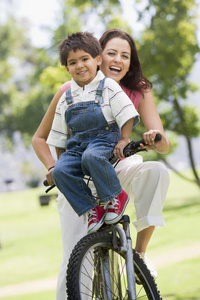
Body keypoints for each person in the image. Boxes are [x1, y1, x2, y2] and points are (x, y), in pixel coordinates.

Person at [32, 29, 171, 300]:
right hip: (80, 180)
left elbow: (162, 142)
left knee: (155, 171)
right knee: (75, 259)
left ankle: (139, 254)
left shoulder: (137, 90)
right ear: (99, 56)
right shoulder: (70, 91)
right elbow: (42, 138)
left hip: (117, 168)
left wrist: (155, 138)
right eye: (112, 53)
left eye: (125, 55)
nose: (118, 59)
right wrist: (53, 168)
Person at [47, 32, 139, 234]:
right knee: (60, 171)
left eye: (84, 59)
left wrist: (124, 139)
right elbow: (59, 136)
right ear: (67, 68)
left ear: (98, 59)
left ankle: (116, 196)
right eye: (73, 62)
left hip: (105, 139)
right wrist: (62, 164)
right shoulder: (66, 97)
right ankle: (92, 209)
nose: (79, 65)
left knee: (92, 156)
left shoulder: (108, 86)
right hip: (78, 146)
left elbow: (127, 112)